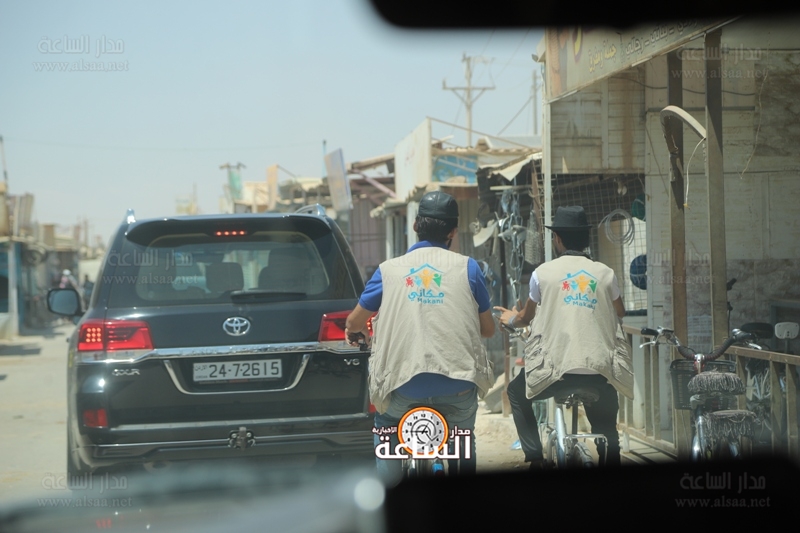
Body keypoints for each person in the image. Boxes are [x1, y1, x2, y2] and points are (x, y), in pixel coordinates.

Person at [345, 190, 496, 483]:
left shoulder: (388, 271)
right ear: (453, 231)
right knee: (463, 435)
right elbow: (488, 329)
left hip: (402, 389)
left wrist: (356, 329)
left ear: (415, 226)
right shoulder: (469, 268)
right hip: (459, 389)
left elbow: (354, 321)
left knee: (387, 426)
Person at [494, 206, 633, 468]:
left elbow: (525, 317)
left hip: (555, 374)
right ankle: (611, 456)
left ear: (557, 238)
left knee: (515, 392)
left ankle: (535, 459)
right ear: (586, 238)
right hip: (598, 371)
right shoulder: (605, 273)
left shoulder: (543, 274)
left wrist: (510, 318)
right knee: (606, 423)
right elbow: (620, 312)